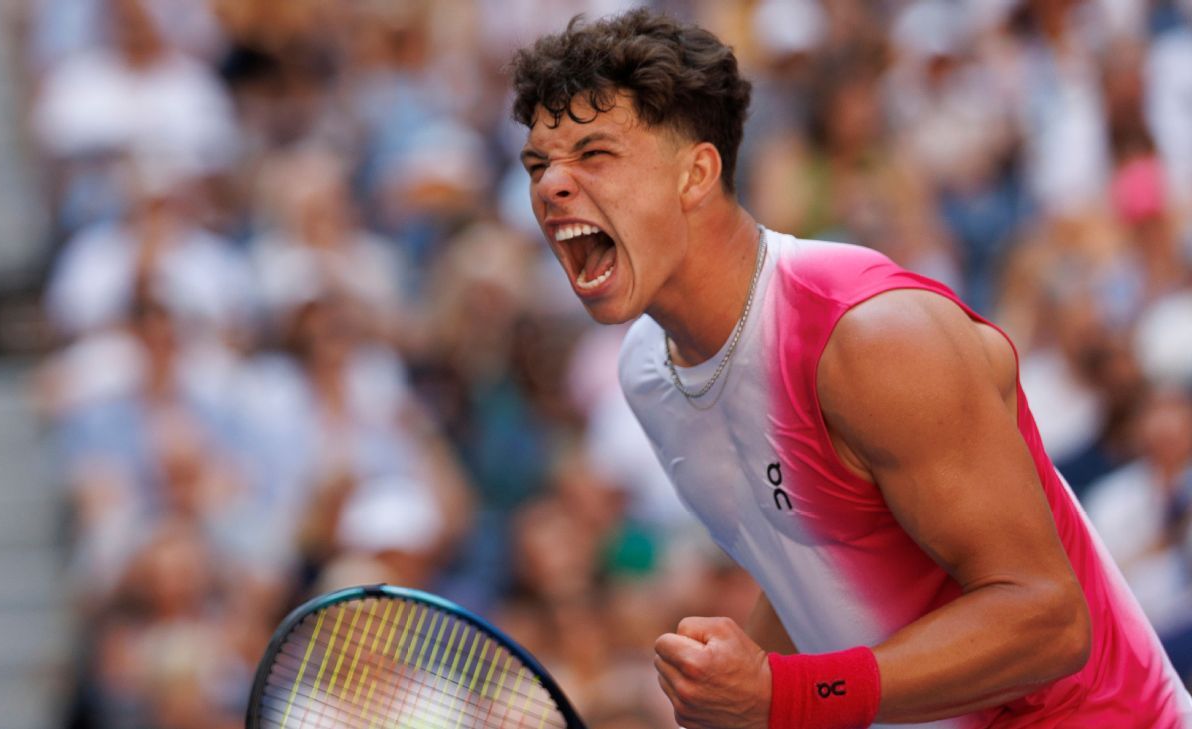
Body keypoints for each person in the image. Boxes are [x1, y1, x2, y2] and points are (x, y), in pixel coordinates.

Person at [508, 10, 1192, 729]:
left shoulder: (869, 338)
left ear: (697, 173)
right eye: (537, 164)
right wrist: (742, 691)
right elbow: (815, 547)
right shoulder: (649, 375)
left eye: (594, 154)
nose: (552, 185)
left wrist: (785, 696)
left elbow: (1049, 620)